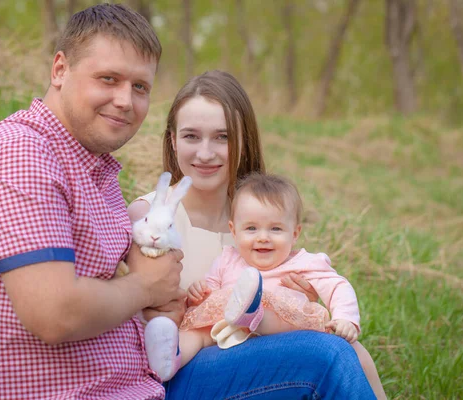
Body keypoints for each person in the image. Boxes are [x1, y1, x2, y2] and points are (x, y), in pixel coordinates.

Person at [0, 4, 184, 399]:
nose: (125, 100)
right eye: (109, 78)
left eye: (140, 87)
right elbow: (56, 313)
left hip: (137, 382)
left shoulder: (92, 166)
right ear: (59, 70)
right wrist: (145, 287)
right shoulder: (19, 155)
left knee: (313, 357)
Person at [128, 70, 385, 399]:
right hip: (178, 372)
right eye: (192, 136)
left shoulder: (256, 217)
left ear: (243, 141)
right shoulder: (151, 217)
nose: (205, 153)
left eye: (222, 137)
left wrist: (294, 304)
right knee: (327, 355)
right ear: (173, 140)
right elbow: (143, 316)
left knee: (349, 351)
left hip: (251, 359)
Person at [144, 173, 368, 381]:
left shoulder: (304, 263)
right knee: (198, 332)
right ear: (234, 231)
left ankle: (253, 314)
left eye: (276, 229)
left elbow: (338, 286)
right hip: (225, 329)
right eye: (251, 228)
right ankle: (170, 358)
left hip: (275, 335)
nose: (263, 238)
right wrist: (199, 293)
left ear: (295, 233)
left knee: (274, 313)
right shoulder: (228, 259)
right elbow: (210, 289)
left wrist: (345, 318)